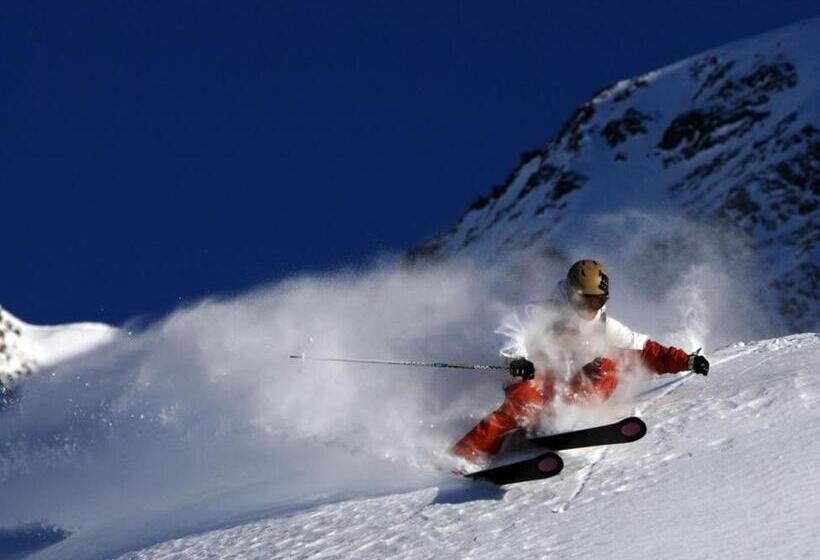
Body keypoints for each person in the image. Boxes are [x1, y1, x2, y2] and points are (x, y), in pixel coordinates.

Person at [451, 259, 710, 467]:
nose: (591, 308)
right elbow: (509, 330)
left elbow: (644, 349)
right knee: (526, 399)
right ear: (571, 295)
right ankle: (462, 456)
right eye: (585, 300)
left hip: (572, 390)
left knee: (607, 367)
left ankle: (571, 419)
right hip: (535, 380)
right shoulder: (544, 313)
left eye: (598, 301)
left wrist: (686, 361)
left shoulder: (604, 324)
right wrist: (517, 357)